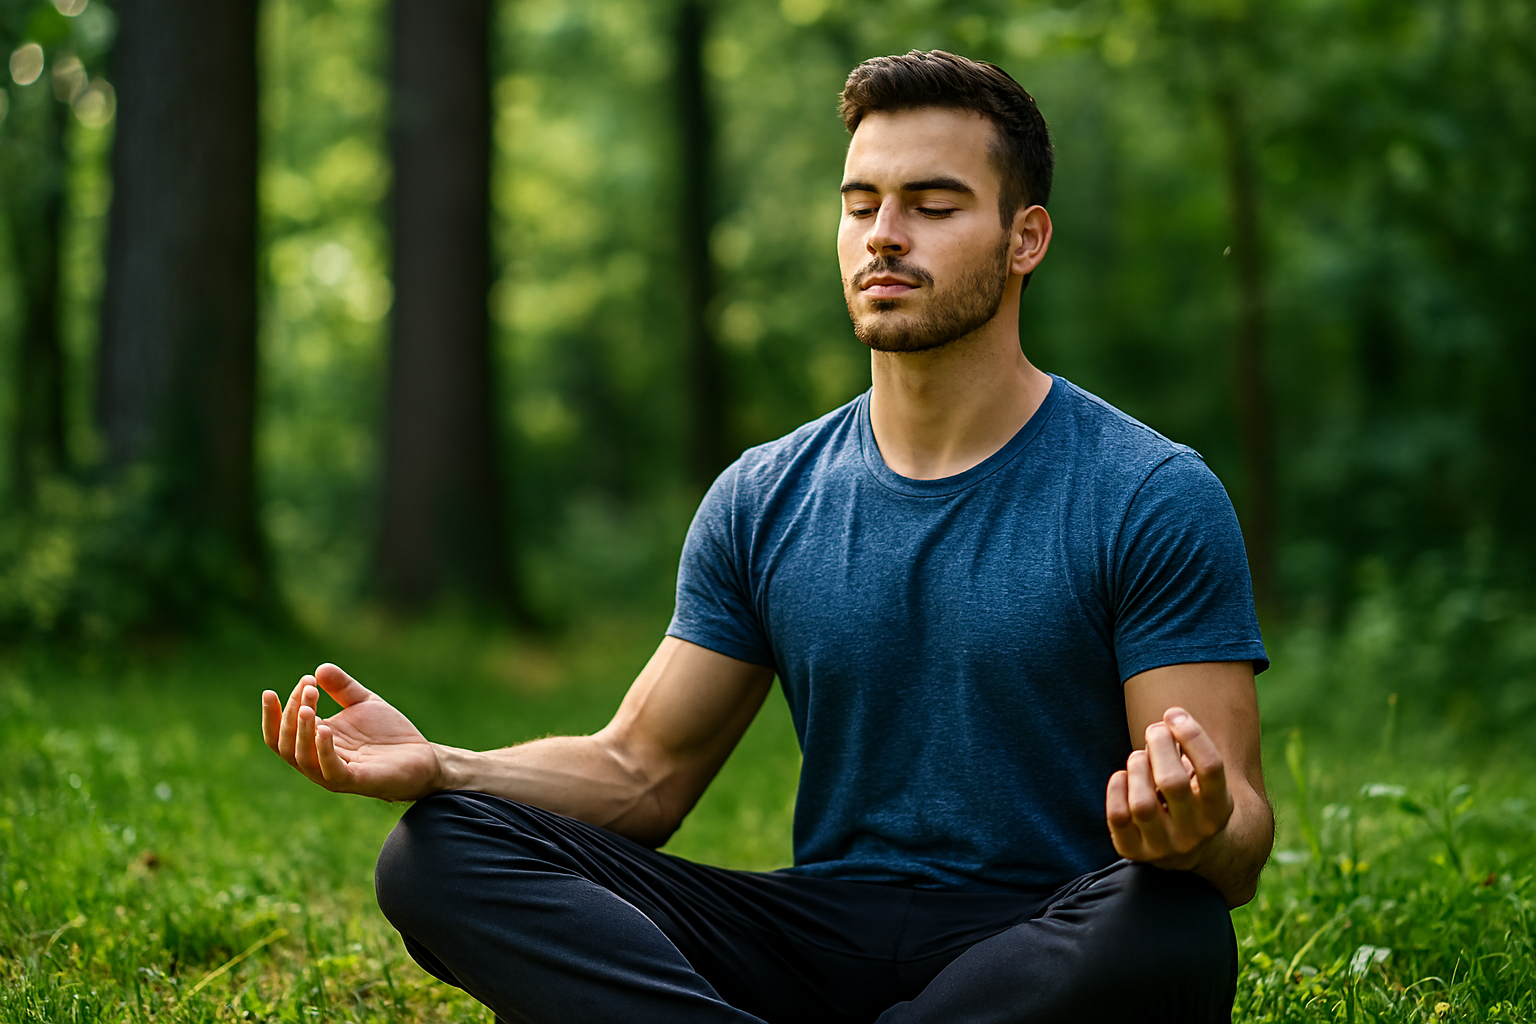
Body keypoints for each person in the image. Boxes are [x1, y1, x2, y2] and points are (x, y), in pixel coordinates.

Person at [261, 49, 1272, 1023]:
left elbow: (1241, 841)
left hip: (1043, 936)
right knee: (439, 849)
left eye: (933, 205)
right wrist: (442, 763)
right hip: (815, 934)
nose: (884, 234)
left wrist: (1198, 829)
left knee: (1174, 923)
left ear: (1026, 238)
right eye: (860, 203)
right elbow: (640, 774)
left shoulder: (1147, 492)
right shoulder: (765, 494)